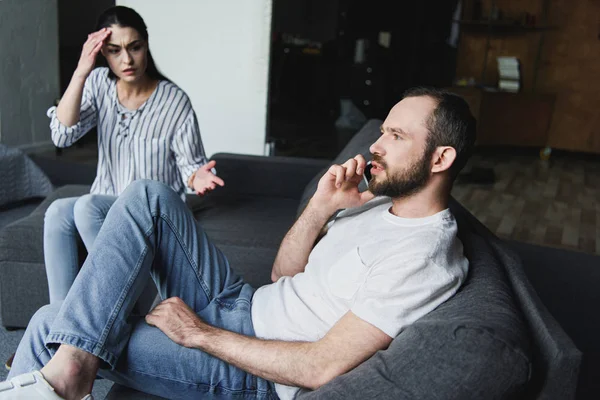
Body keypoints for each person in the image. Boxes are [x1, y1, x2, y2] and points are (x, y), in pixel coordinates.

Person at [1, 87, 476, 400]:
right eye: (382, 130)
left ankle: (69, 370)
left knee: (50, 324)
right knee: (148, 195)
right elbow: (284, 275)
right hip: (243, 303)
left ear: (441, 157)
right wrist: (323, 205)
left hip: (255, 371)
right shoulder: (375, 204)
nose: (376, 144)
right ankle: (75, 362)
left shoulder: (425, 256)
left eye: (395, 135)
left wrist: (199, 334)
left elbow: (320, 367)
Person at [43, 5, 223, 305]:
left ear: (146, 45)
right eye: (114, 51)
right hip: (106, 200)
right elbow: (62, 134)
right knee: (58, 212)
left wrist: (198, 175)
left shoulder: (173, 101)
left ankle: (123, 304)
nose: (126, 59)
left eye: (134, 47)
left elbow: (189, 166)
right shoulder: (99, 84)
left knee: (87, 207)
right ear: (103, 53)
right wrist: (80, 72)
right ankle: (60, 316)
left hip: (150, 211)